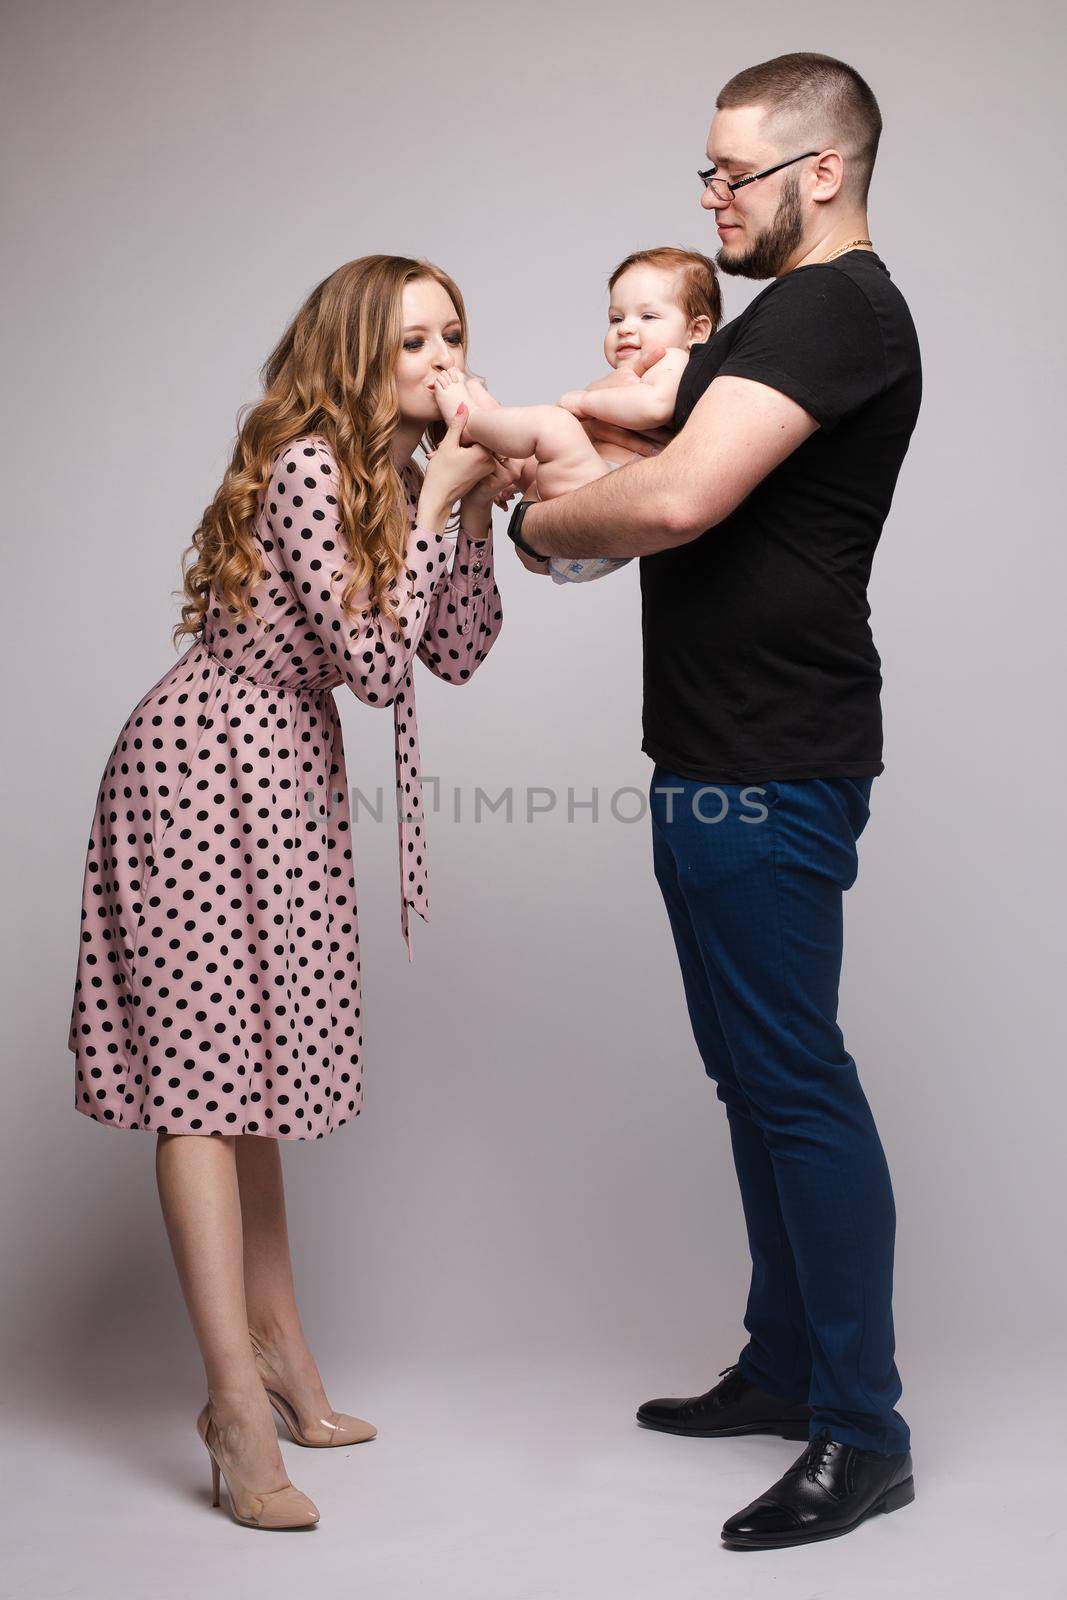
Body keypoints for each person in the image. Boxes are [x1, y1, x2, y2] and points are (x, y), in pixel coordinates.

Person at [506, 53, 922, 1551]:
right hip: (711, 755)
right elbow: (632, 429)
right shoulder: (769, 327)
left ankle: (859, 1434)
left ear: (819, 170)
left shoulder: (836, 308)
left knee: (791, 1079)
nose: (708, 200)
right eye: (704, 173)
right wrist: (547, 473)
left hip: (770, 763)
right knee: (751, 1078)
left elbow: (671, 499)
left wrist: (534, 517)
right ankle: (782, 1364)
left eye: (727, 175)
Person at [66, 254, 511, 1529]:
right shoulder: (315, 462)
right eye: (414, 342)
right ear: (355, 356)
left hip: (282, 776)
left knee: (251, 1077)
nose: (442, 361)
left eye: (453, 337)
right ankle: (232, 1409)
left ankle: (287, 1370)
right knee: (205, 1088)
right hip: (203, 769)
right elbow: (376, 667)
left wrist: (466, 506)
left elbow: (458, 651)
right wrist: (438, 514)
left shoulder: (394, 472)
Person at [434, 247, 719, 584]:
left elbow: (654, 405)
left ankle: (466, 419)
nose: (626, 329)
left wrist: (585, 403)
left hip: (601, 515)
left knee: (553, 424)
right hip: (567, 512)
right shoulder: (623, 379)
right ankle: (494, 446)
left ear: (696, 331)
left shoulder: (673, 362)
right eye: (617, 318)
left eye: (648, 317)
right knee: (534, 448)